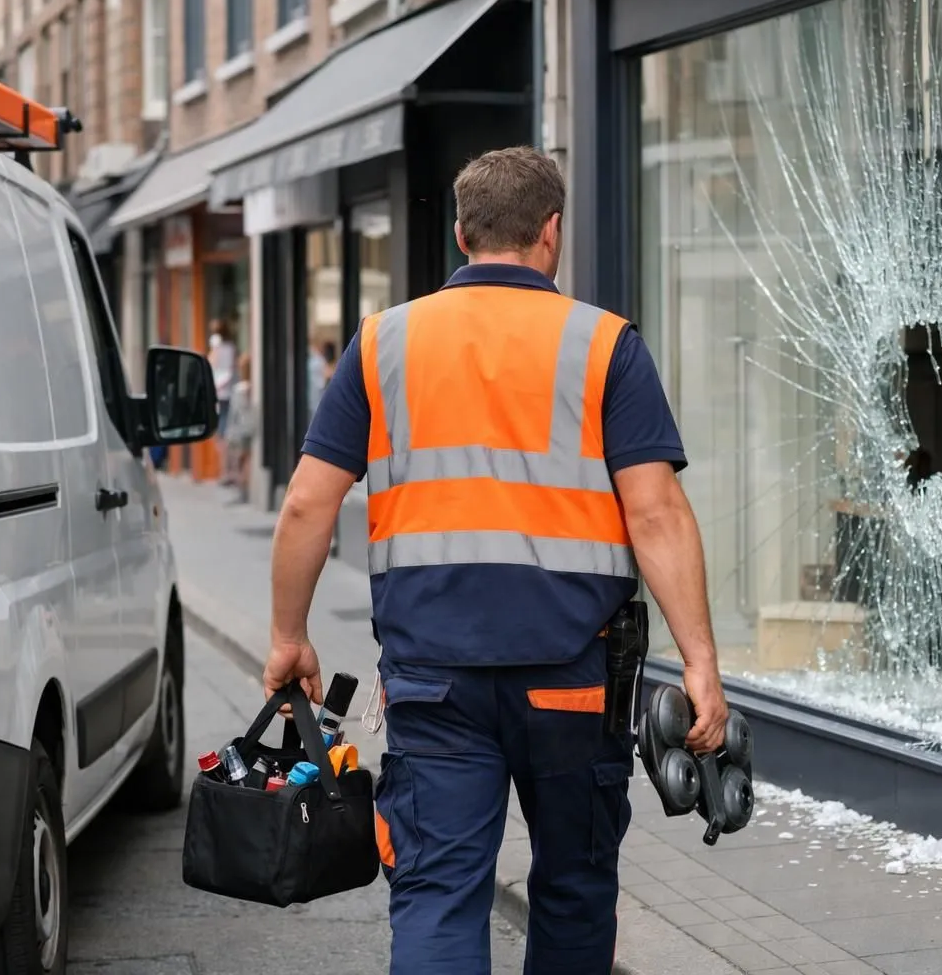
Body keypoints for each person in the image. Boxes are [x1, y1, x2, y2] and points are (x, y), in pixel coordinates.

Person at [262, 146, 728, 974]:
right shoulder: (605, 345)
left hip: (433, 683)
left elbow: (306, 503)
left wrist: (289, 636)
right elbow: (656, 512)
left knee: (439, 894)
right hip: (572, 681)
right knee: (575, 889)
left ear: (461, 233)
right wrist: (700, 665)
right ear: (551, 231)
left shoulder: (383, 343)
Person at [224, 353, 256, 501]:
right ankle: (245, 489)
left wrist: (229, 432)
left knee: (239, 461)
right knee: (247, 459)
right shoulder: (253, 388)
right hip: (250, 428)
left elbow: (234, 413)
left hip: (239, 429)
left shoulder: (239, 389)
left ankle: (242, 491)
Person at [209, 318, 237, 461]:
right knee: (223, 424)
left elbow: (217, 365)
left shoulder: (221, 347)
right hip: (224, 390)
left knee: (222, 427)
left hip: (221, 391)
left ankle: (225, 458)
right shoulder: (229, 348)